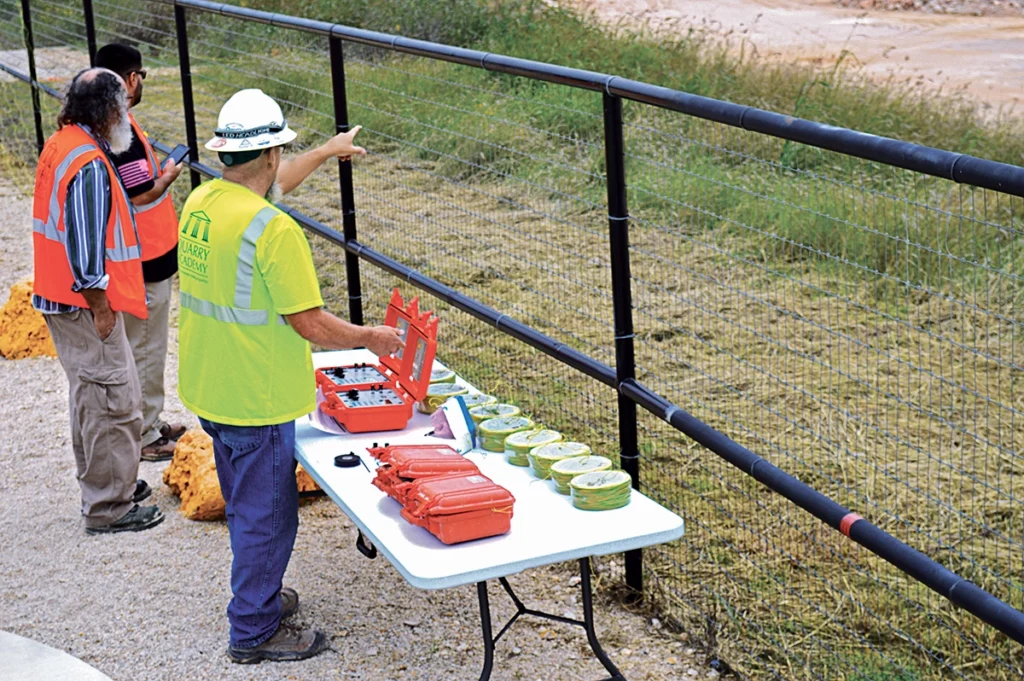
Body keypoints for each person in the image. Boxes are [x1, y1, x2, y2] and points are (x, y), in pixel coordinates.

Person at [177, 89, 403, 663]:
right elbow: (311, 324)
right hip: (258, 398)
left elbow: (270, 188)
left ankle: (261, 597)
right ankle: (253, 629)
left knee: (245, 505)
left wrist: (326, 152)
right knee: (267, 519)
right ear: (273, 152)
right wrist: (370, 338)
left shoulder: (203, 203)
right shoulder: (274, 232)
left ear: (228, 153)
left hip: (211, 386)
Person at [32, 68, 164, 534]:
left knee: (92, 397)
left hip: (60, 297)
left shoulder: (62, 143)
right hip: (85, 305)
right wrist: (102, 307)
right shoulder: (88, 163)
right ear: (111, 110)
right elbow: (86, 252)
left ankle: (112, 484)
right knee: (112, 401)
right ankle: (109, 507)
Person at [95, 43, 187, 461]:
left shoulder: (106, 122)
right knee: (147, 347)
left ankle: (148, 420)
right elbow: (140, 194)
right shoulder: (122, 132)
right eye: (141, 76)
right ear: (131, 80)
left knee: (141, 345)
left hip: (139, 257)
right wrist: (167, 177)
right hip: (146, 259)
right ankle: (148, 434)